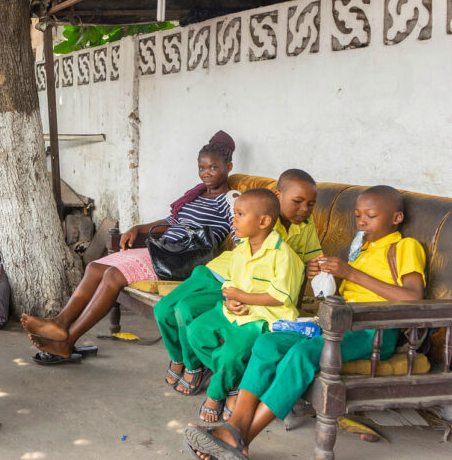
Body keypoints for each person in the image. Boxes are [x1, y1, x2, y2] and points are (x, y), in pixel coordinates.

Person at [185, 186, 426, 460]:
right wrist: (320, 275)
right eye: (358, 216)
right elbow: (342, 292)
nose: (361, 222)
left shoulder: (405, 247)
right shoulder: (361, 249)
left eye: (370, 216)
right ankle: (234, 428)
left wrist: (351, 272)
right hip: (337, 322)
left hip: (372, 330)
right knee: (268, 342)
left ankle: (239, 437)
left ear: (396, 218)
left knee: (302, 354)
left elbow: (413, 298)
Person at [21, 131, 236, 363]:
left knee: (113, 276)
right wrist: (139, 228)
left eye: (213, 168)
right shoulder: (195, 196)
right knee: (94, 267)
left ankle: (67, 340)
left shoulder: (229, 200)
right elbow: (171, 222)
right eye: (202, 168)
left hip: (183, 259)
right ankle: (60, 323)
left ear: (229, 166)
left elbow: (241, 230)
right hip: (164, 249)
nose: (206, 174)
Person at [157, 169, 321, 402]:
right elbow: (243, 249)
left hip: (249, 287)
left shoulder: (303, 223)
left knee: (184, 310)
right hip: (223, 274)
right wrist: (233, 294)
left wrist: (315, 266)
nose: (304, 209)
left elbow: (308, 260)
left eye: (310, 204)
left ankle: (194, 367)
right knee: (163, 309)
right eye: (297, 202)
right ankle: (180, 358)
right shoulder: (256, 215)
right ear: (278, 196)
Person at [185, 189, 303, 423]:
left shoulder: (283, 255)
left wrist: (243, 297)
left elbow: (280, 297)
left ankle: (216, 392)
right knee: (195, 331)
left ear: (264, 221)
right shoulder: (240, 250)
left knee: (231, 354)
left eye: (240, 214)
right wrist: (230, 299)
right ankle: (233, 382)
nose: (233, 219)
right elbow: (231, 285)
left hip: (263, 319)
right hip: (234, 311)